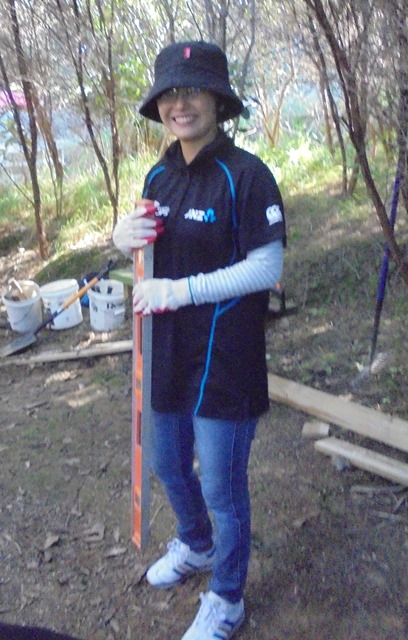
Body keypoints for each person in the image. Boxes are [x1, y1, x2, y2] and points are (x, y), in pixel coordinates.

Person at [113, 40, 286, 640]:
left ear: (218, 101)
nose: (180, 103)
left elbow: (266, 268)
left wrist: (180, 291)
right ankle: (196, 544)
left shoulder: (248, 176)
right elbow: (149, 256)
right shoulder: (159, 175)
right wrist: (122, 239)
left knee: (221, 487)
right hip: (166, 351)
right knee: (166, 463)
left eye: (193, 91)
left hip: (225, 359)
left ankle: (227, 598)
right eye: (170, 92)